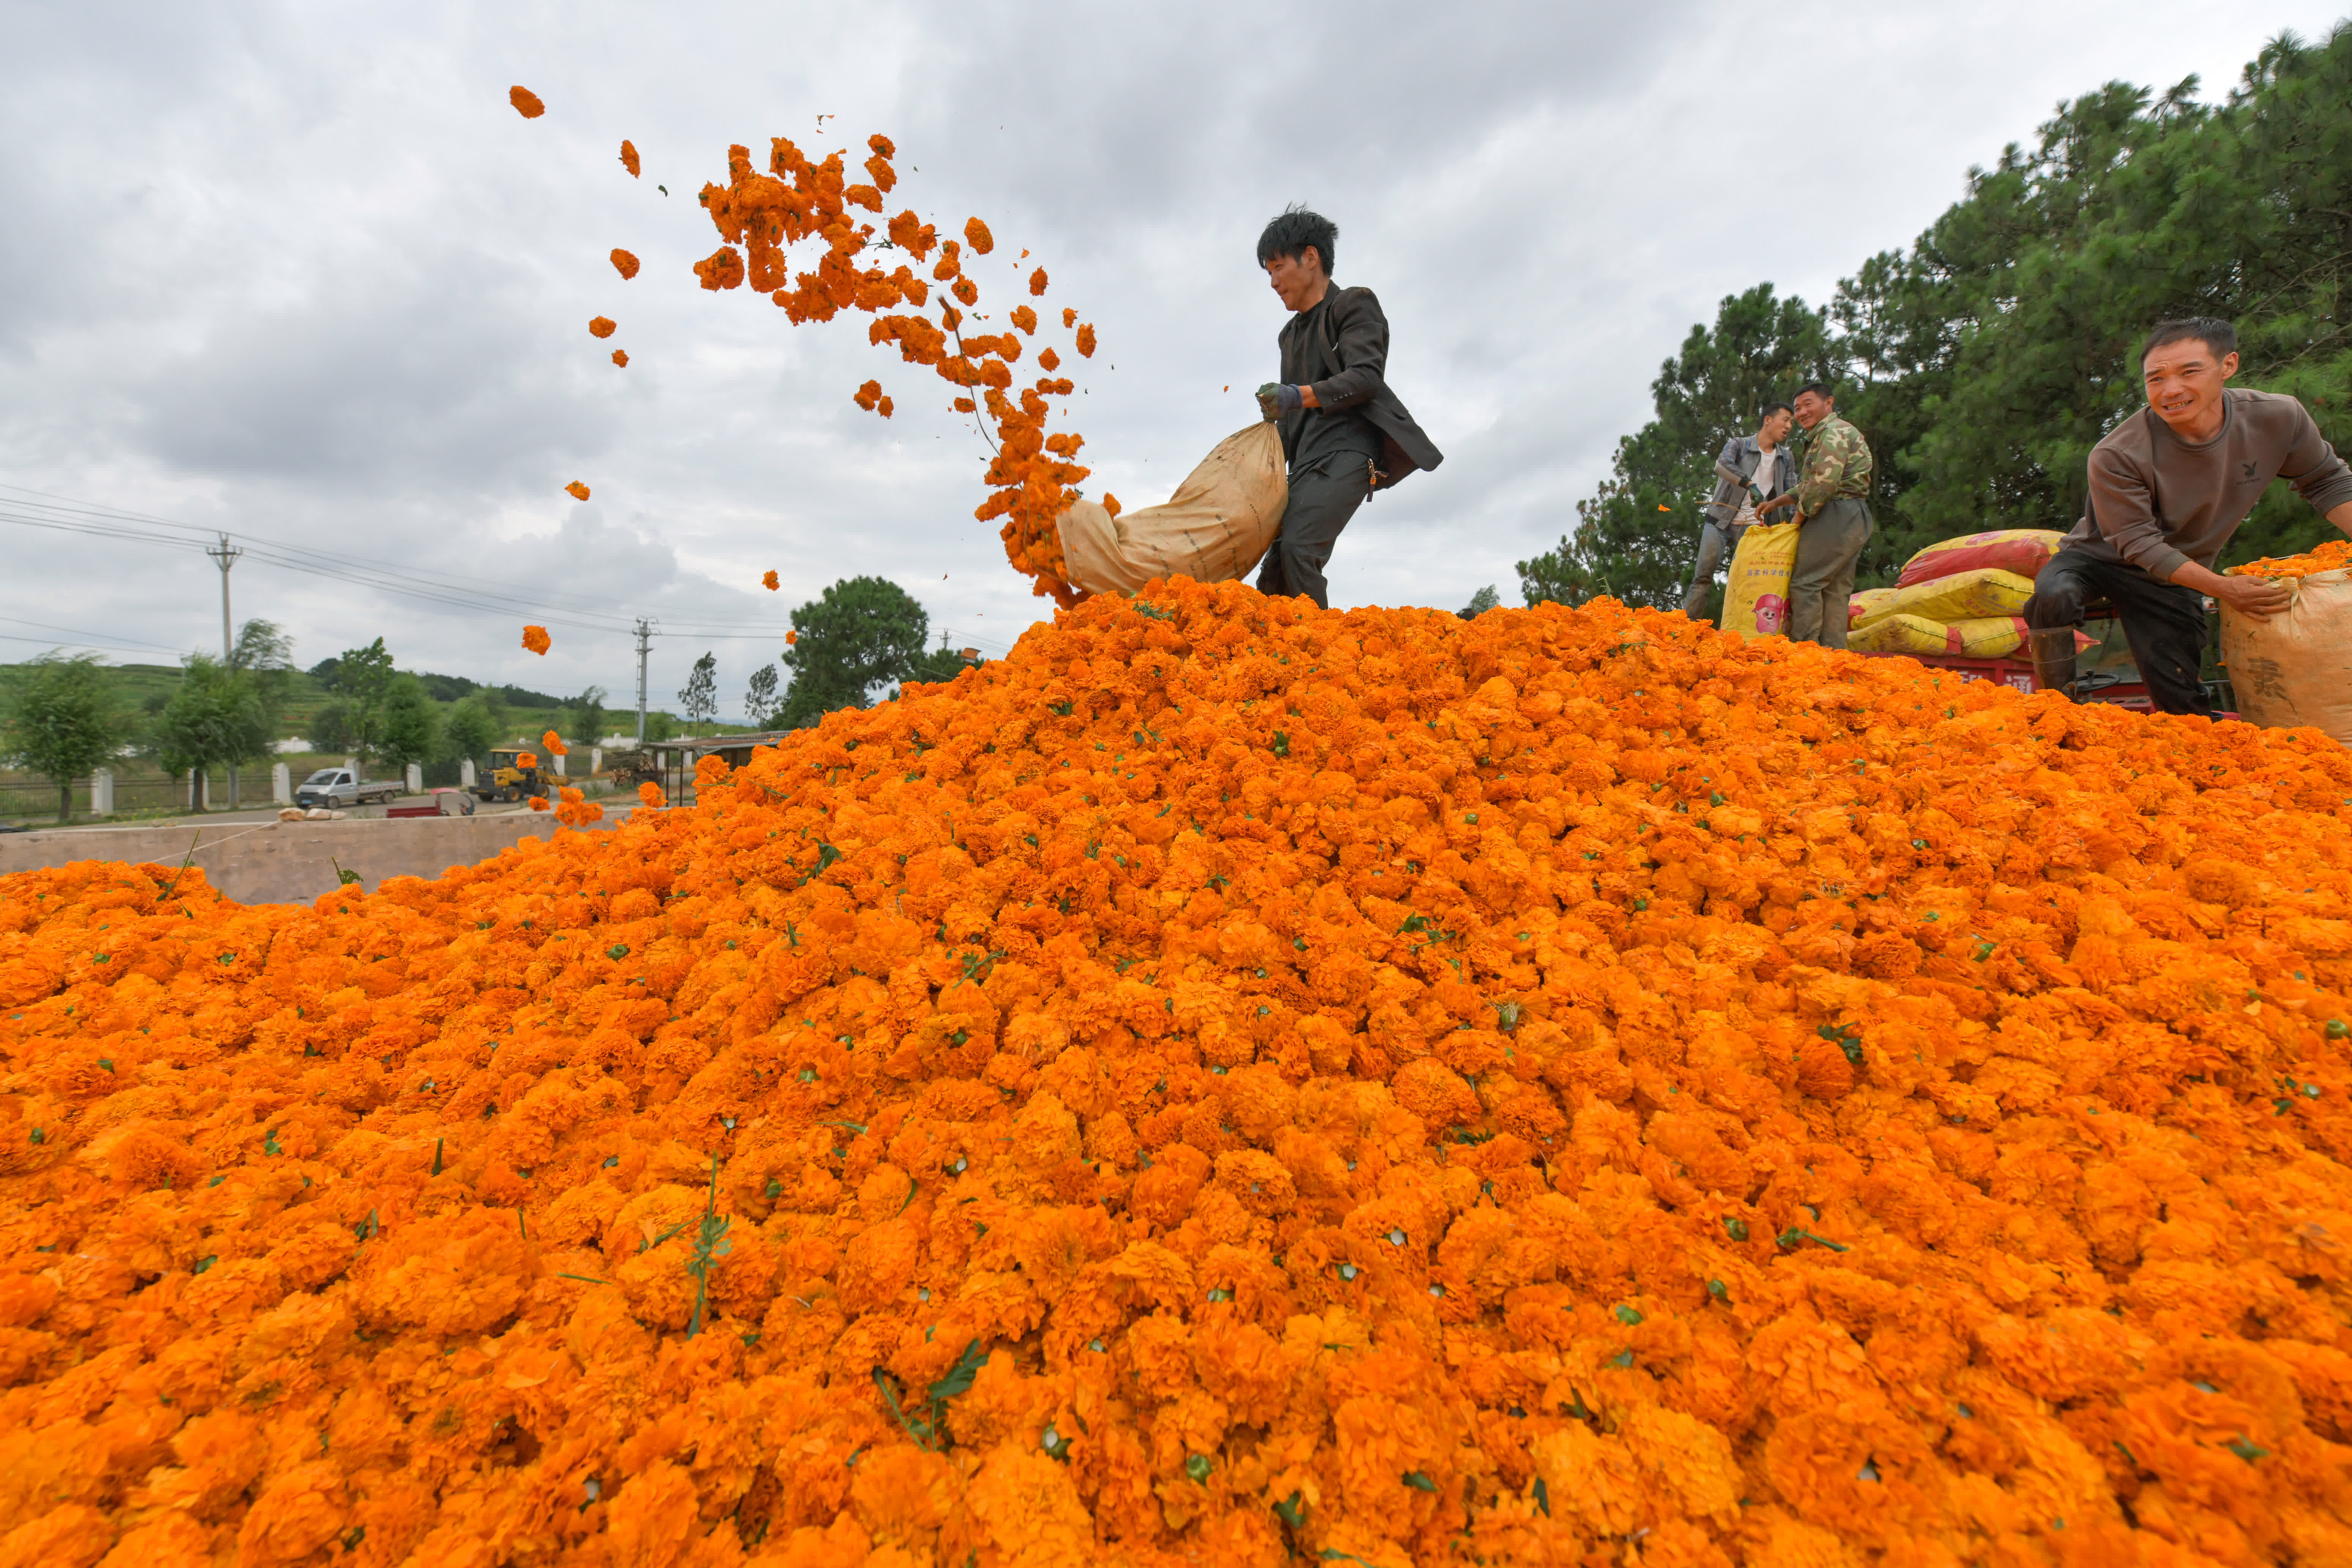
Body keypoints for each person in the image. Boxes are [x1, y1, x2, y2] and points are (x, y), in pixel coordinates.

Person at [2022, 317, 2352, 714]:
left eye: (2188, 372)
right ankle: (2057, 711)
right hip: (2100, 558)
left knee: (2185, 711)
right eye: (2156, 378)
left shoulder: (2278, 419)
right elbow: (2138, 543)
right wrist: (2223, 588)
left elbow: (2327, 481)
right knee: (2053, 594)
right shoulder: (2118, 453)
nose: (2171, 390)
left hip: (2176, 572)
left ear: (2228, 365)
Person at [1252, 207, 1443, 609]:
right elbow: (1289, 422)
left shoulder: (1354, 305)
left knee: (1301, 548)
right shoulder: (1289, 336)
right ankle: (1274, 663)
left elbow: (1365, 379)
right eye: (1268, 273)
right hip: (1303, 466)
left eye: (1278, 267)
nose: (1273, 282)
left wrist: (1295, 395)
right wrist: (1257, 464)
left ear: (1311, 257)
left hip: (1347, 454)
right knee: (1273, 572)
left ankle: (1321, 660)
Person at [1753, 382, 1873, 647]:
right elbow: (1812, 483)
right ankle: (1833, 658)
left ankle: (1805, 654)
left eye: (1809, 404)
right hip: (1854, 514)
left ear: (1828, 403)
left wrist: (1798, 520)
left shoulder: (1831, 432)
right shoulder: (1833, 433)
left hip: (1835, 514)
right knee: (1836, 591)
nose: (1802, 412)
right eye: (1797, 409)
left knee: (1806, 584)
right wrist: (1777, 502)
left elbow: (1823, 484)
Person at [1681, 402, 1797, 619]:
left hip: (1755, 527)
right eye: (1786, 420)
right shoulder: (1740, 445)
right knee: (1703, 577)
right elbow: (1722, 465)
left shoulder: (1786, 457)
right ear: (1768, 421)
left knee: (1752, 581)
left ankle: (1745, 632)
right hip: (1720, 522)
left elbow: (1791, 492)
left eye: (1792, 422)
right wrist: (1750, 485)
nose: (1790, 426)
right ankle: (1685, 627)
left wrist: (1792, 525)